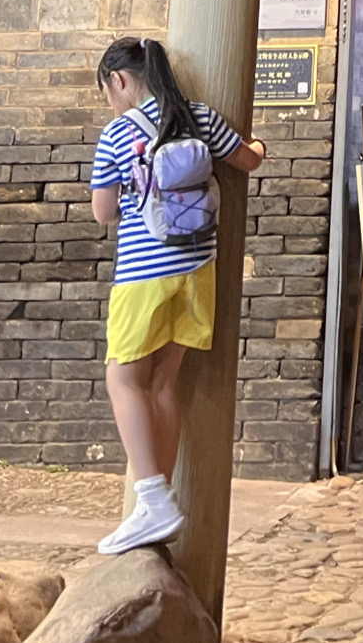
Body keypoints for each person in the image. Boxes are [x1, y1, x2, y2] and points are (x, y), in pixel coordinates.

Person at [89, 36, 266, 555]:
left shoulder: (118, 132)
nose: (111, 101)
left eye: (108, 92)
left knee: (123, 380)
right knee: (164, 382)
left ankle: (152, 499)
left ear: (119, 80)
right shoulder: (199, 117)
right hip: (196, 272)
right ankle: (157, 502)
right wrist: (260, 146)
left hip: (143, 276)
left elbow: (103, 213)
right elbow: (248, 159)